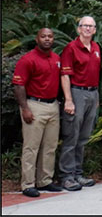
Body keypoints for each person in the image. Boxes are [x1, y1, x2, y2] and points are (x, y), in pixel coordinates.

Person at [13, 28, 62, 197]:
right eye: (43, 36)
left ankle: (45, 180)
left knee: (50, 146)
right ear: (37, 39)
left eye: (50, 36)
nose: (47, 39)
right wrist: (25, 108)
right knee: (31, 147)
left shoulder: (56, 58)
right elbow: (18, 85)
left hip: (53, 105)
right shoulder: (27, 60)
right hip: (34, 105)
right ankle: (28, 184)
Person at [58, 17, 101, 191]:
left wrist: (96, 98)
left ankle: (77, 173)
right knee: (71, 135)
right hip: (77, 93)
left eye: (91, 26)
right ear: (78, 29)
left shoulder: (96, 48)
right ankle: (66, 176)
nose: (88, 29)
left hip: (92, 93)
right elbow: (65, 75)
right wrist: (68, 99)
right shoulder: (71, 48)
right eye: (85, 26)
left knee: (83, 136)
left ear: (95, 30)